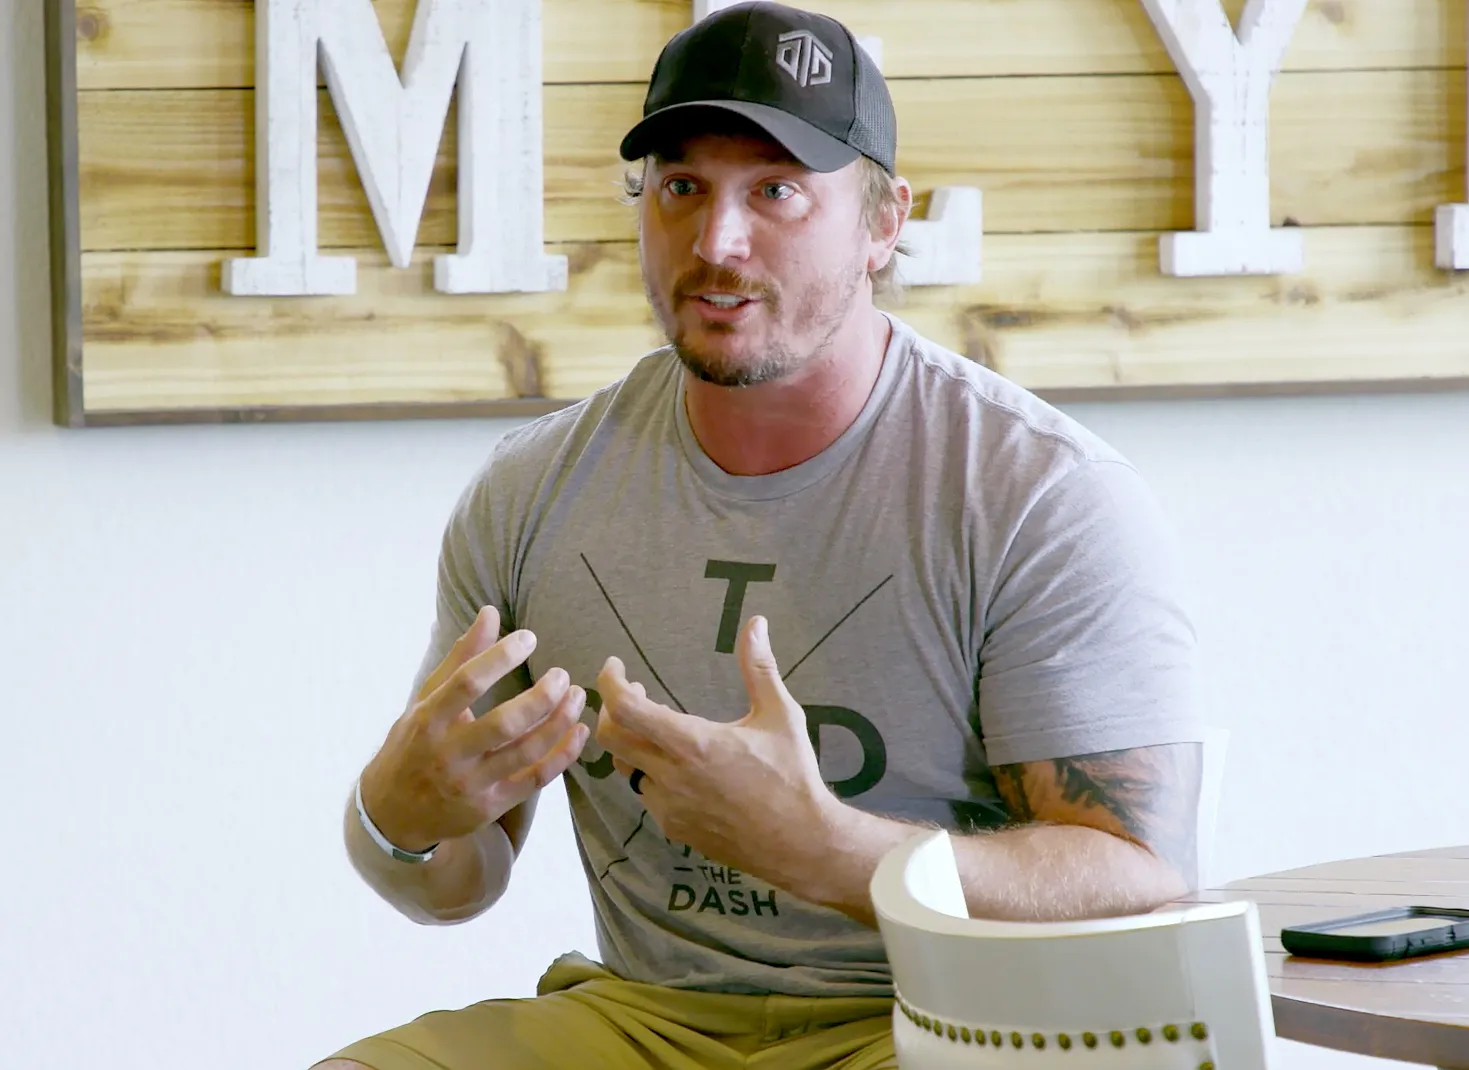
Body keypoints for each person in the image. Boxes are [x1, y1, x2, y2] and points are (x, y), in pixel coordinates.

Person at [313, 3, 1204, 1068]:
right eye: (681, 188)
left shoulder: (1034, 494)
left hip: (941, 1024)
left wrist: (828, 848)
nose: (715, 243)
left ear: (881, 222)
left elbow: (1137, 881)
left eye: (776, 190)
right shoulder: (531, 492)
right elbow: (458, 885)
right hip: (645, 1020)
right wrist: (394, 819)